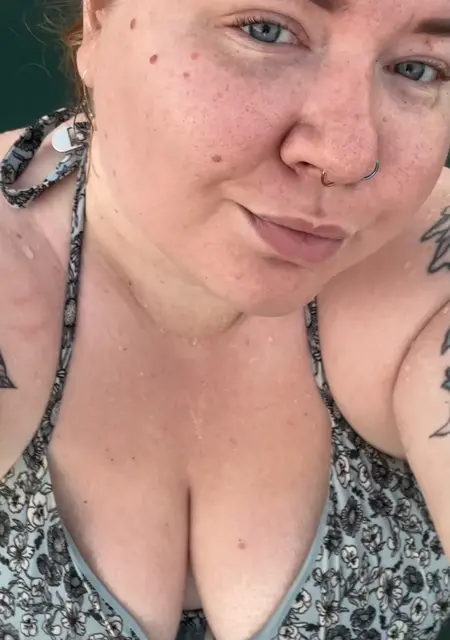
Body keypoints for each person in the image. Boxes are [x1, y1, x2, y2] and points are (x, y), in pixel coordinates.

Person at [0, 0, 450, 638]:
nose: (348, 156)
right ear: (99, 17)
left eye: (419, 68)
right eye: (266, 31)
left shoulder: (428, 278)